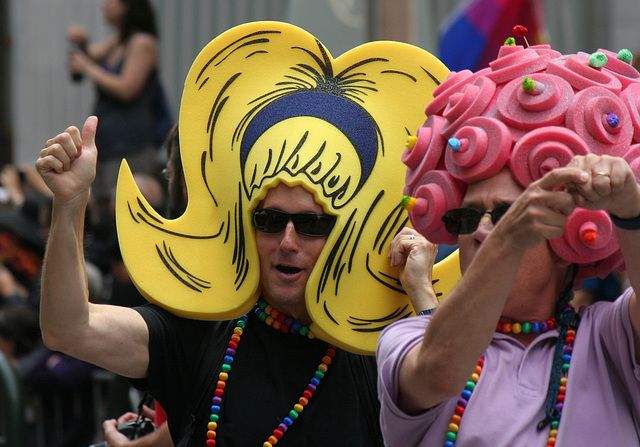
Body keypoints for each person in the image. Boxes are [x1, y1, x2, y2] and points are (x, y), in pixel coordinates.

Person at [36, 22, 449, 447]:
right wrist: (70, 204)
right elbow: (70, 327)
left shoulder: (380, 353)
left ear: (344, 233)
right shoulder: (201, 335)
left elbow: (449, 396)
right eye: (269, 220)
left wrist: (421, 292)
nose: (287, 241)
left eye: (311, 224)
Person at [377, 39, 640, 445]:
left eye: (504, 214)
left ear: (567, 240)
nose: (481, 230)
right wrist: (508, 238)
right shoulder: (408, 338)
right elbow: (438, 372)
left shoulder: (610, 337)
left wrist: (629, 208)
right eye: (467, 217)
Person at [67, 0, 171, 205]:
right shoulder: (119, 41)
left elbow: (127, 88)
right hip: (108, 144)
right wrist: (82, 44)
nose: (103, 5)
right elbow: (92, 55)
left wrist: (88, 68)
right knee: (103, 208)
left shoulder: (142, 43)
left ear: (127, 6)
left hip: (132, 145)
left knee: (125, 205)